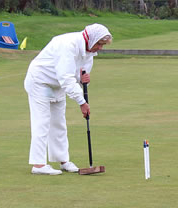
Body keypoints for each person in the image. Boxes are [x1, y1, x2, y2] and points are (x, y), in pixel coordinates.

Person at [24, 23, 112, 175]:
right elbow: (66, 78)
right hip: (40, 81)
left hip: (57, 85)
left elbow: (79, 78)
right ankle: (38, 165)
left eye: (102, 45)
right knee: (42, 121)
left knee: (59, 122)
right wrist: (82, 103)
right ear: (91, 39)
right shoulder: (68, 45)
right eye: (99, 44)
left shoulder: (89, 52)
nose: (100, 48)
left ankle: (63, 161)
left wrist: (84, 80)